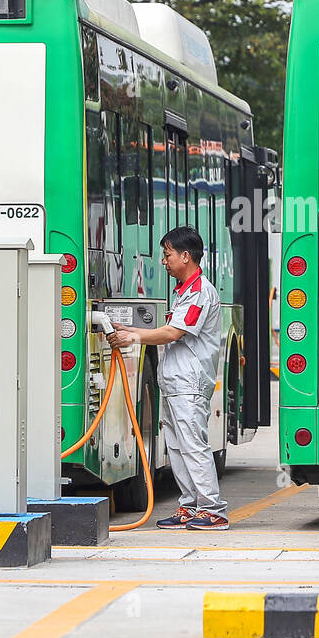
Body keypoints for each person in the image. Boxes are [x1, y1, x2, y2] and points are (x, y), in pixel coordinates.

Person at [107, 226, 228, 530]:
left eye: (167, 254)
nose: (163, 261)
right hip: (175, 384)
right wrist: (132, 332)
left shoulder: (199, 292)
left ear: (185, 256)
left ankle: (212, 509)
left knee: (193, 445)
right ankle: (190, 506)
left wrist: (133, 336)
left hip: (189, 383)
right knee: (176, 446)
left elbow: (173, 333)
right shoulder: (184, 291)